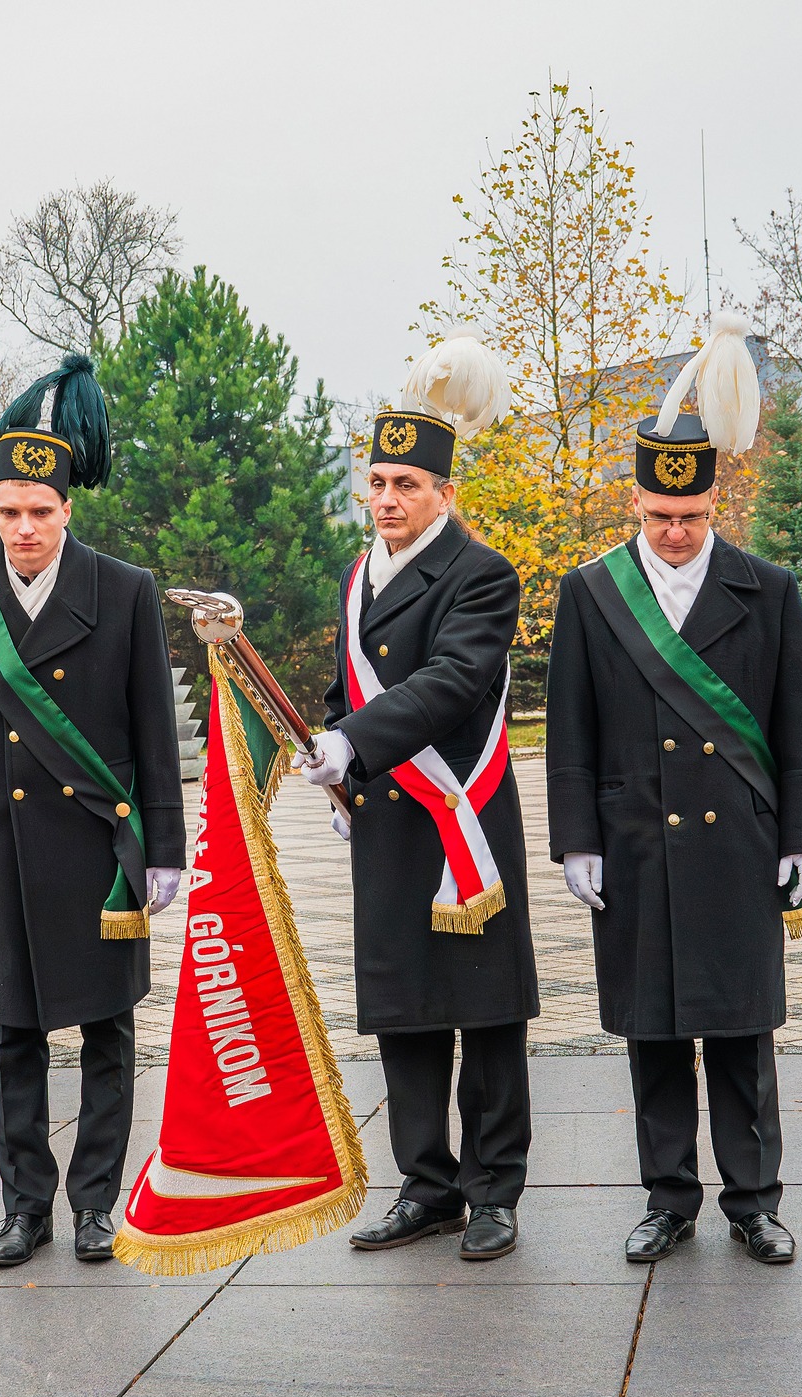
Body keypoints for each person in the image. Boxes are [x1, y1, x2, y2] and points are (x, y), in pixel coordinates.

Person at [545, 310, 802, 1267]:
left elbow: (796, 726)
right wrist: (576, 840)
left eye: (692, 518)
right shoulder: (592, 592)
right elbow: (571, 728)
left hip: (738, 843)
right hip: (635, 840)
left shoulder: (768, 589)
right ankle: (668, 1199)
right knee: (655, 1032)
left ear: (717, 506)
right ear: (636, 503)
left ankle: (754, 1202)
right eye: (659, 517)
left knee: (743, 1032)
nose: (675, 534)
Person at [0, 353, 185, 1267]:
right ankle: (24, 1204)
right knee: (15, 1030)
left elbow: (155, 732)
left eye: (40, 511)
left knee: (108, 1027)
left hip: (102, 846)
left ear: (67, 509)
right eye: (9, 513)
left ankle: (95, 1203)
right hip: (2, 843)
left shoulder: (125, 589)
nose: (25, 528)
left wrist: (165, 846)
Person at [299, 334, 539, 1264]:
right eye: (378, 482)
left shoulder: (482, 573)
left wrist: (354, 743)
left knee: (486, 1015)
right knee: (403, 1011)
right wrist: (334, 760)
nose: (388, 499)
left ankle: (493, 1192)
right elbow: (346, 688)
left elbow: (451, 681)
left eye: (407, 484)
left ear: (445, 492)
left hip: (461, 820)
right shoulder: (358, 574)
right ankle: (426, 1186)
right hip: (389, 823)